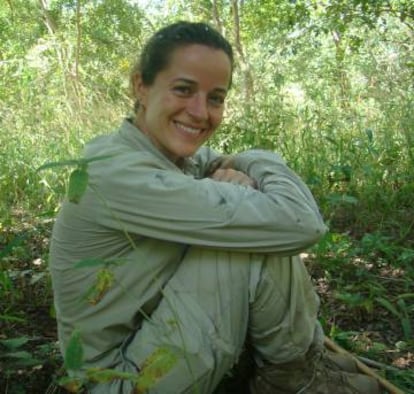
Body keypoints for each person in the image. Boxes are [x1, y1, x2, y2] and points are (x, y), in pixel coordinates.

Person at [49, 21, 380, 394]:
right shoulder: (116, 171)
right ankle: (294, 379)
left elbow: (220, 164)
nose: (200, 112)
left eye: (216, 98)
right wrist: (257, 159)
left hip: (154, 340)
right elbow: (301, 222)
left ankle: (296, 365)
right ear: (140, 85)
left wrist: (239, 178)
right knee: (253, 236)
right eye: (183, 89)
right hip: (118, 379)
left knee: (254, 224)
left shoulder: (169, 157)